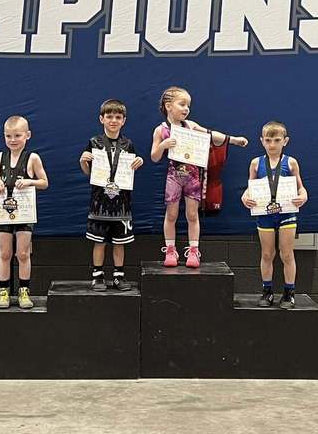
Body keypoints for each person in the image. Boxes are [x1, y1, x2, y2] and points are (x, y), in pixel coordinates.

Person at [150, 86, 248, 268]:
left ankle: (194, 251)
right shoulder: (161, 130)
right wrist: (163, 145)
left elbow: (211, 135)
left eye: (188, 105)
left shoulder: (191, 125)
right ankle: (170, 249)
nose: (186, 108)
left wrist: (232, 139)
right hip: (174, 176)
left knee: (192, 214)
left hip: (193, 177)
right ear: (168, 105)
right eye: (182, 104)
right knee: (171, 214)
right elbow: (154, 157)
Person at [79, 99, 145, 290]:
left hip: (121, 204)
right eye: (109, 116)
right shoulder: (94, 142)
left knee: (119, 242)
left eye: (118, 117)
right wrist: (83, 161)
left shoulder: (128, 144)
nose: (113, 120)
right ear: (101, 119)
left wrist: (138, 161)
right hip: (99, 203)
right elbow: (88, 172)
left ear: (124, 120)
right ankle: (97, 276)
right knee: (99, 242)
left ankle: (118, 276)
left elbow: (129, 171)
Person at [240, 121, 307, 308]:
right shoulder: (256, 163)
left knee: (286, 253)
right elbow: (249, 189)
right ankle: (267, 291)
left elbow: (302, 189)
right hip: (265, 214)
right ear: (262, 141)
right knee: (267, 253)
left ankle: (289, 293)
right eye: (268, 140)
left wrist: (303, 197)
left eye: (277, 140)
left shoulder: (291, 162)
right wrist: (245, 198)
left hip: (286, 213)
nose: (272, 144)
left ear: (285, 141)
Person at [0, 116, 49, 309]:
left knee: (22, 253)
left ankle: (24, 291)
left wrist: (30, 181)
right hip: (4, 211)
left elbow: (44, 183)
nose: (13, 140)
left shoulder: (33, 158)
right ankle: (4, 292)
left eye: (17, 135)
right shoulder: (0, 157)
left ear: (27, 135)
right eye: (8, 136)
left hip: (24, 212)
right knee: (5, 253)